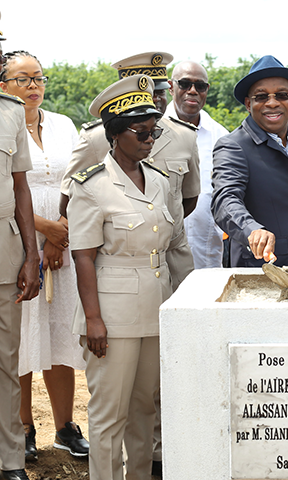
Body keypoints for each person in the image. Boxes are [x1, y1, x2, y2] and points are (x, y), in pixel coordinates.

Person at [67, 74, 173, 480]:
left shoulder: (160, 182)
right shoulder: (92, 186)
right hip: (110, 314)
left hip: (154, 306)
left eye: (154, 130)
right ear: (115, 134)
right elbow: (83, 257)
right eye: (141, 131)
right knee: (109, 412)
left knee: (144, 408)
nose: (150, 138)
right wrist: (93, 319)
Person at [0, 50, 88, 462]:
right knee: (23, 334)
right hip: (19, 238)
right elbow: (8, 190)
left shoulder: (63, 124)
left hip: (64, 242)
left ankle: (66, 427)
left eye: (39, 78)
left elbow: (79, 179)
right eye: (23, 79)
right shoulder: (4, 124)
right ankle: (22, 428)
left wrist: (59, 235)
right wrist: (42, 230)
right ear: (3, 85)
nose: (33, 86)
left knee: (60, 332)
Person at [60, 52, 199, 292]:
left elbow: (189, 198)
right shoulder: (96, 137)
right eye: (148, 94)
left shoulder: (185, 136)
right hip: (120, 268)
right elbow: (70, 200)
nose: (156, 100)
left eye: (161, 92)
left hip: (175, 259)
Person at [211, 55, 288, 267]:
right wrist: (252, 230)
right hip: (262, 269)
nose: (272, 103)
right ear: (248, 103)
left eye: (281, 95)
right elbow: (225, 200)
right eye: (261, 97)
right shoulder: (233, 146)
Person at [0, 16, 40, 480]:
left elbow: (21, 188)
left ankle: (10, 460)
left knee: (5, 365)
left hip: (5, 255)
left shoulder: (10, 113)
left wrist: (31, 256)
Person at [166, 61, 229, 269]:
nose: (192, 91)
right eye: (184, 84)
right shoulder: (152, 131)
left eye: (199, 86)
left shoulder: (221, 137)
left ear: (206, 90)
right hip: (161, 254)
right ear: (170, 87)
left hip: (207, 254)